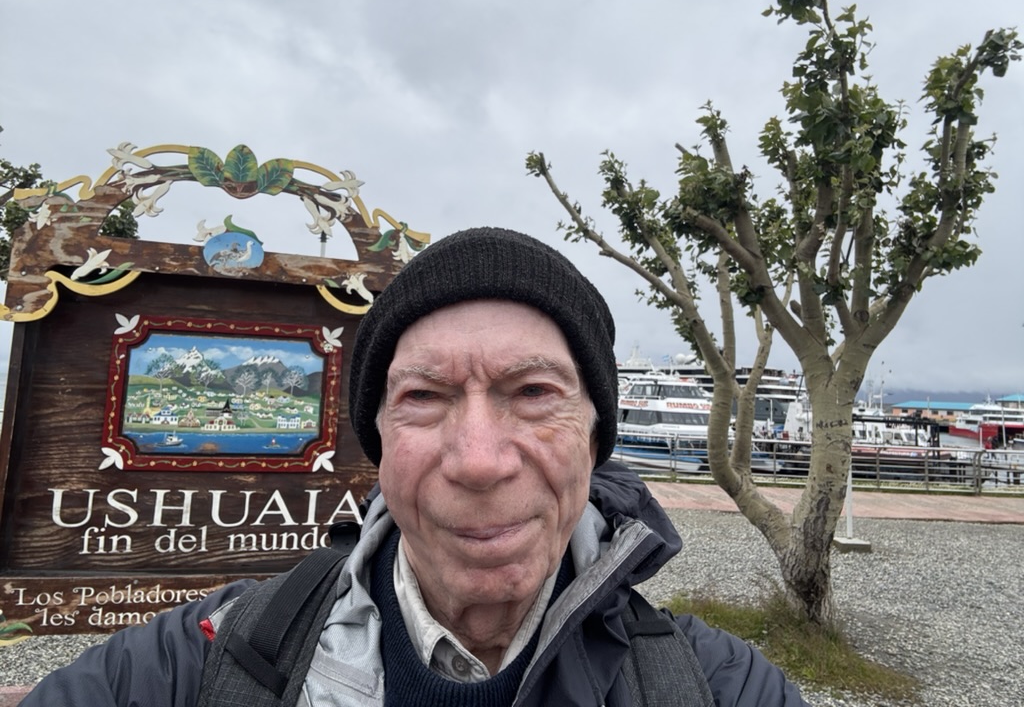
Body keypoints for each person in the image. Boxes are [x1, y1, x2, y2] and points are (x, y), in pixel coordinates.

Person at [22, 227, 810, 706]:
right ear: (380, 444)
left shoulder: (713, 688)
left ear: (596, 435)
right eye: (425, 397)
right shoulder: (202, 662)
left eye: (533, 392)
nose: (477, 461)